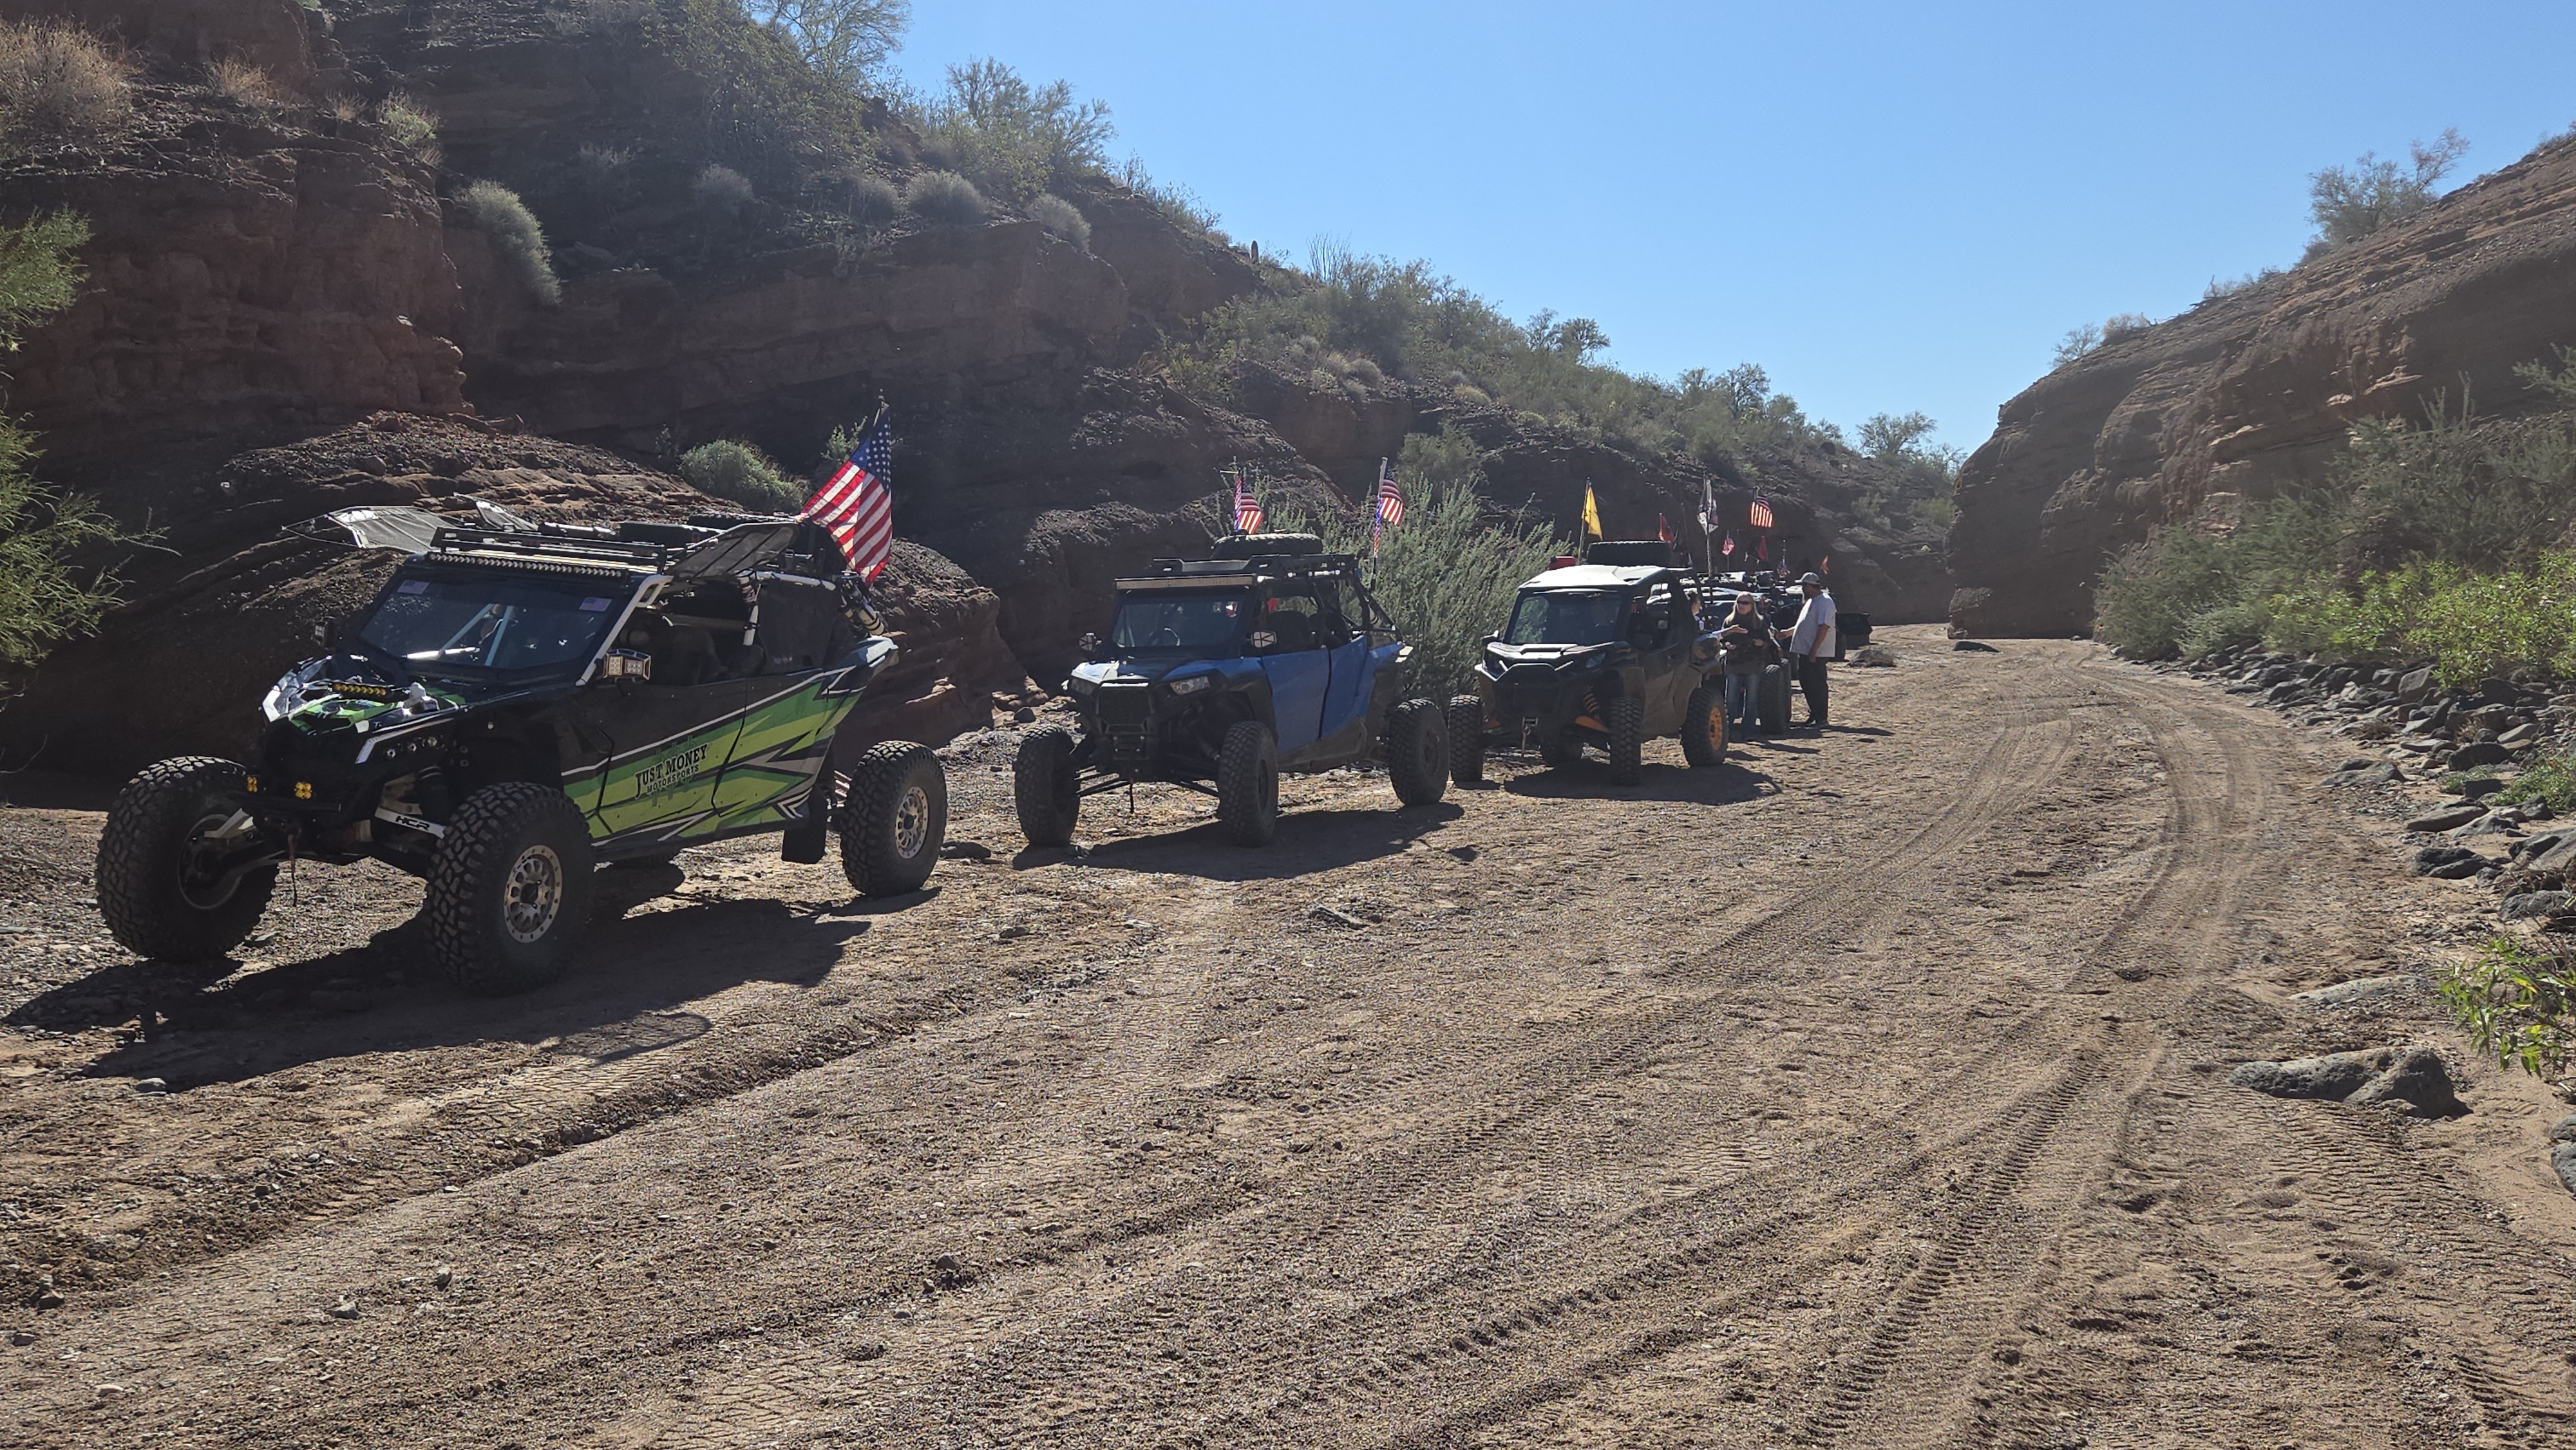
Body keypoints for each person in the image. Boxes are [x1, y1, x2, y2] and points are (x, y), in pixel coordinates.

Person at [1715, 593, 1780, 735]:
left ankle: (1749, 726)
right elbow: (1720, 640)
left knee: (1752, 698)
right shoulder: (1729, 621)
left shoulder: (1760, 622)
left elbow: (1769, 643)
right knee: (1730, 698)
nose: (1742, 606)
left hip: (1753, 663)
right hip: (1733, 663)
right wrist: (1726, 645)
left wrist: (1760, 643)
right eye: (1740, 602)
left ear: (1752, 605)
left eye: (1746, 603)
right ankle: (1728, 726)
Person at [1788, 571, 1835, 728]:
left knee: (1817, 684)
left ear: (1810, 586)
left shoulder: (1825, 602)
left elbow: (1824, 628)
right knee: (1807, 683)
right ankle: (1814, 714)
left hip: (1815, 653)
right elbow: (1803, 624)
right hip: (1805, 651)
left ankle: (1822, 718)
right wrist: (1786, 633)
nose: (1802, 588)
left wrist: (1814, 651)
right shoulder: (1811, 601)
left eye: (1804, 585)